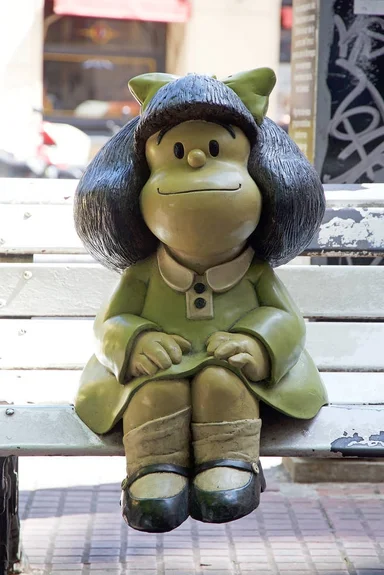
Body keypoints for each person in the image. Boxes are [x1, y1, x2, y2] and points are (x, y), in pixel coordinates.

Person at [74, 68, 327, 533]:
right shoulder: (145, 273)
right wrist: (133, 339)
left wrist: (260, 343)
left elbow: (285, 318)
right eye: (175, 152)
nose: (194, 160)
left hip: (232, 369)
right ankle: (152, 467)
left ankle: (230, 459)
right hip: (155, 369)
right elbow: (108, 322)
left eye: (216, 150)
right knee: (155, 391)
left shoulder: (254, 271)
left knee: (222, 383)